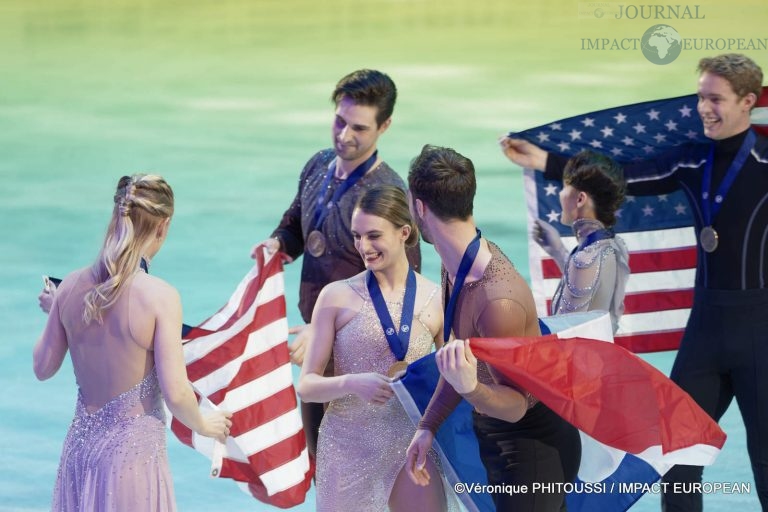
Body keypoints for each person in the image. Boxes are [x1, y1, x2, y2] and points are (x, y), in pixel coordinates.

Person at [500, 53, 768, 511]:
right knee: (675, 457)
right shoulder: (691, 160)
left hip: (760, 332)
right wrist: (547, 160)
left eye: (715, 99)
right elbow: (619, 180)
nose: (704, 108)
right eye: (701, 96)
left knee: (764, 459)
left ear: (747, 101)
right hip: (706, 331)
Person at [33, 174, 232, 511]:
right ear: (163, 226)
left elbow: (42, 368)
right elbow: (176, 392)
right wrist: (205, 424)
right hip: (132, 463)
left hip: (80, 453)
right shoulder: (160, 298)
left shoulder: (69, 288)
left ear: (115, 217)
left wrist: (58, 314)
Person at [251, 68, 420, 459]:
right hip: (316, 349)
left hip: (362, 360)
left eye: (359, 127)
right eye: (340, 121)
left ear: (385, 125)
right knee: (318, 462)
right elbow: (296, 223)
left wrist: (323, 325)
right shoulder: (317, 165)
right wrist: (278, 244)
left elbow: (402, 288)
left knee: (356, 469)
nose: (344, 136)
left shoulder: (390, 196)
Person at [404, 145, 581, 511]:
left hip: (531, 449)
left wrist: (470, 387)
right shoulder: (455, 260)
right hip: (499, 435)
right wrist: (428, 425)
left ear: (419, 207)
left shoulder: (497, 300)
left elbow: (517, 405)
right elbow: (460, 357)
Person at [297, 185, 449, 511]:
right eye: (357, 236)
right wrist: (352, 383)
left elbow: (449, 382)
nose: (363, 247)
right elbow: (307, 386)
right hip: (348, 446)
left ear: (404, 233)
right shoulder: (335, 297)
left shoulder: (436, 298)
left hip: (414, 443)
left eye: (374, 236)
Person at [528, 149, 629, 333]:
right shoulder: (615, 245)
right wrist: (558, 251)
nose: (560, 195)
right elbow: (592, 299)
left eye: (564, 187)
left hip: (580, 360)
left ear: (580, 198)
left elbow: (563, 334)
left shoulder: (586, 258)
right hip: (600, 357)